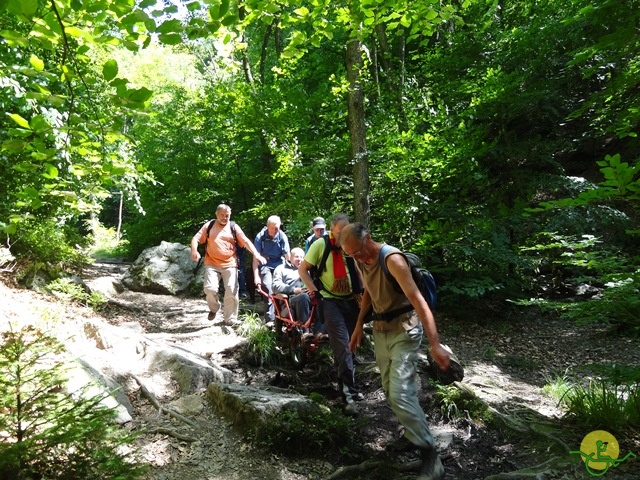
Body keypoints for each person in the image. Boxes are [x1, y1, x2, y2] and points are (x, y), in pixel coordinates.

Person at [341, 222, 450, 480]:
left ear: (368, 238)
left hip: (405, 330)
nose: (357, 258)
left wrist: (435, 344)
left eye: (358, 251)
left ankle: (431, 457)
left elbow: (419, 302)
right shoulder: (359, 260)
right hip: (380, 330)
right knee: (390, 391)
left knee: (401, 394)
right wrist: (358, 325)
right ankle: (412, 435)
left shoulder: (392, 259)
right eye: (352, 255)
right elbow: (368, 291)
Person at [298, 213, 362, 416]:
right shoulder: (320, 245)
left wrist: (363, 292)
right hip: (330, 300)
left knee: (351, 345)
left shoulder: (351, 243)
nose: (345, 234)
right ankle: (349, 397)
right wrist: (313, 292)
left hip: (352, 301)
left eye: (347, 229)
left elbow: (360, 267)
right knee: (343, 345)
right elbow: (303, 269)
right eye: (341, 230)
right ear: (332, 229)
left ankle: (346, 384)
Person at [190, 204, 266, 325]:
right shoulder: (209, 226)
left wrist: (256, 254)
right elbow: (196, 238)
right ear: (216, 214)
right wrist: (194, 250)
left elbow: (245, 241)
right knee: (210, 289)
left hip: (230, 263)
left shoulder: (233, 227)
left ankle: (230, 319)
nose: (225, 218)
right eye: (222, 215)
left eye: (227, 215)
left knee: (231, 290)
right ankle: (214, 308)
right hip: (211, 263)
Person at [271, 247, 318, 334]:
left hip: (308, 299)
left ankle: (321, 333)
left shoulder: (307, 270)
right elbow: (275, 286)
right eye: (296, 257)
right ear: (290, 257)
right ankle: (305, 333)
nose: (299, 259)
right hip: (289, 302)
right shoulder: (281, 269)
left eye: (302, 257)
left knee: (323, 299)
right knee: (303, 297)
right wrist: (293, 290)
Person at [253, 215, 290, 323]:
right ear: (267, 226)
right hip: (265, 264)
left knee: (284, 287)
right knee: (268, 288)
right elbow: (255, 258)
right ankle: (270, 320)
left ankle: (285, 317)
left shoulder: (282, 236)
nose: (275, 231)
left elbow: (287, 256)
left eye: (277, 228)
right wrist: (256, 276)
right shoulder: (260, 237)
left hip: (279, 264)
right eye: (272, 228)